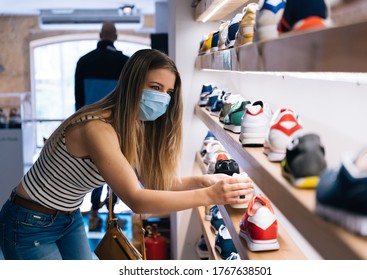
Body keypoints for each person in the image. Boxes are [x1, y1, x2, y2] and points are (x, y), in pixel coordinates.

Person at [0, 49, 254, 260]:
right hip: (28, 223)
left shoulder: (133, 124)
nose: (163, 98)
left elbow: (152, 182)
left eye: (168, 92)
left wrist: (203, 181)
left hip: (69, 217)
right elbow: (137, 199)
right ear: (133, 84)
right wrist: (209, 195)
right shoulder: (97, 128)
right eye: (155, 87)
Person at [74, 21, 129, 231]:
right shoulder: (124, 62)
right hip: (116, 126)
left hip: (89, 126)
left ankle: (95, 214)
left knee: (93, 169)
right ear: (114, 36)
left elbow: (78, 101)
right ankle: (111, 217)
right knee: (114, 169)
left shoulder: (84, 61)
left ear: (100, 35)